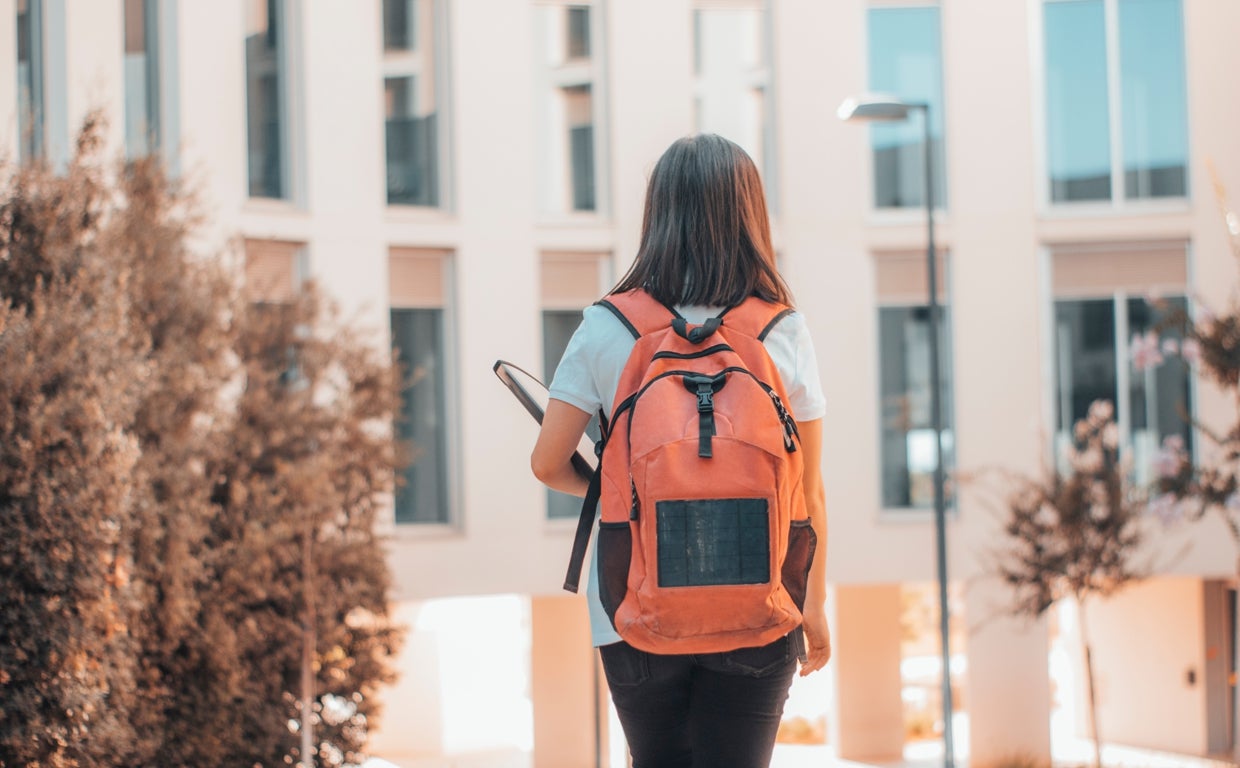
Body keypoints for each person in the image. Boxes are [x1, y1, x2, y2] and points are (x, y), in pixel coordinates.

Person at [530, 134, 830, 768]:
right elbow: (807, 488)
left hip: (633, 603)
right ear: (750, 215)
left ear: (658, 213)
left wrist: (624, 494)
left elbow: (547, 462)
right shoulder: (781, 328)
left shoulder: (607, 324)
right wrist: (814, 605)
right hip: (760, 595)